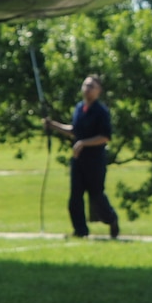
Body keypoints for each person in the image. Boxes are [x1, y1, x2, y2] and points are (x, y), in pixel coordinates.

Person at [44, 75, 120, 239]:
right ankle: (80, 231)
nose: (87, 89)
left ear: (99, 90)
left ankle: (111, 219)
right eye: (85, 85)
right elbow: (74, 131)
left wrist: (83, 143)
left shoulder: (101, 111)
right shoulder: (79, 108)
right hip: (79, 161)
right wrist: (53, 125)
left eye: (91, 86)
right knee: (75, 198)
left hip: (95, 160)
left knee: (97, 196)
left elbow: (105, 137)